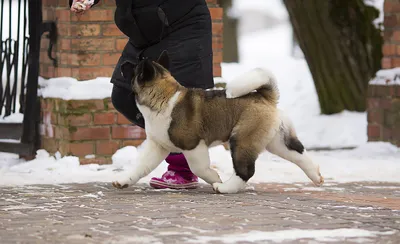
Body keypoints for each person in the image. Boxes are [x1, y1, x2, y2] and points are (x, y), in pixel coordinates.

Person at [70, 0, 214, 189]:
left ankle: (183, 168)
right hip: (145, 31)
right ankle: (182, 145)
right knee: (124, 96)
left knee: (176, 107)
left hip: (182, 24)